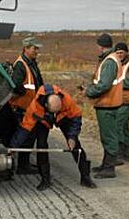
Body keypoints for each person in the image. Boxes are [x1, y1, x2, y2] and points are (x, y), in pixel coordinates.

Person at [10, 84, 97, 190]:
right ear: (46, 105)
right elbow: (25, 129)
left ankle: (85, 176)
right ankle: (45, 179)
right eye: (53, 111)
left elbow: (76, 117)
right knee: (41, 146)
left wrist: (72, 137)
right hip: (43, 120)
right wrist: (13, 147)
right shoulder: (35, 108)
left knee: (75, 146)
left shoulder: (67, 100)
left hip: (63, 118)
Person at [84, 33, 123, 179]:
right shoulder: (112, 58)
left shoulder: (109, 61)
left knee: (109, 136)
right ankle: (106, 164)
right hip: (110, 103)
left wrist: (89, 91)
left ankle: (109, 168)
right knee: (108, 135)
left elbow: (104, 85)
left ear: (100, 46)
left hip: (107, 104)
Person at [8, 36, 44, 174]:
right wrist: (23, 92)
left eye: (37, 48)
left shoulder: (31, 63)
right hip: (22, 108)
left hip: (30, 107)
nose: (37, 51)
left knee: (29, 136)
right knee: (25, 137)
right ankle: (23, 166)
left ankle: (24, 164)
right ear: (26, 48)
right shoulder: (21, 65)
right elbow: (15, 85)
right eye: (35, 48)